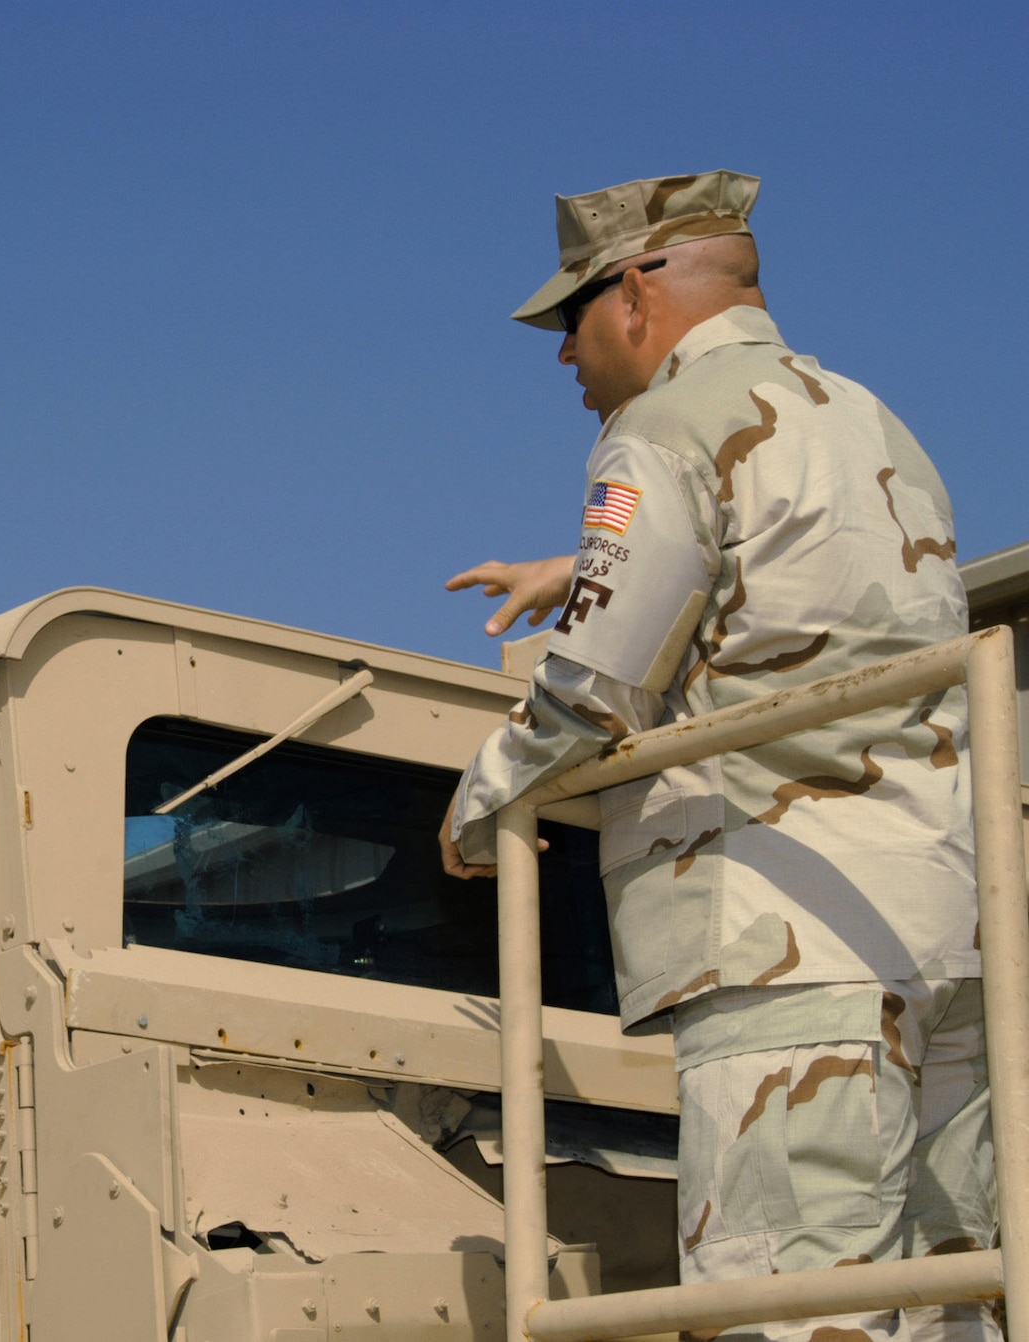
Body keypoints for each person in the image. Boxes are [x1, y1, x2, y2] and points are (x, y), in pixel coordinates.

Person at [441, 171, 992, 1342]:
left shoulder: (662, 428)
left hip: (785, 940)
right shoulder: (859, 413)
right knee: (955, 1308)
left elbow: (592, 689)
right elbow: (803, 597)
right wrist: (576, 567)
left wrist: (479, 800)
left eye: (571, 316)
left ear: (634, 292)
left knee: (779, 1304)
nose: (562, 359)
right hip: (945, 932)